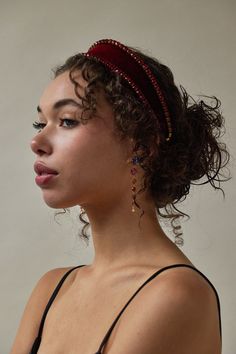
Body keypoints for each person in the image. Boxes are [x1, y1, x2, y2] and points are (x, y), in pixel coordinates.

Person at [10, 39, 229, 354]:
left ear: (141, 143)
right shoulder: (50, 290)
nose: (37, 141)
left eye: (68, 121)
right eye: (40, 123)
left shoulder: (176, 293)